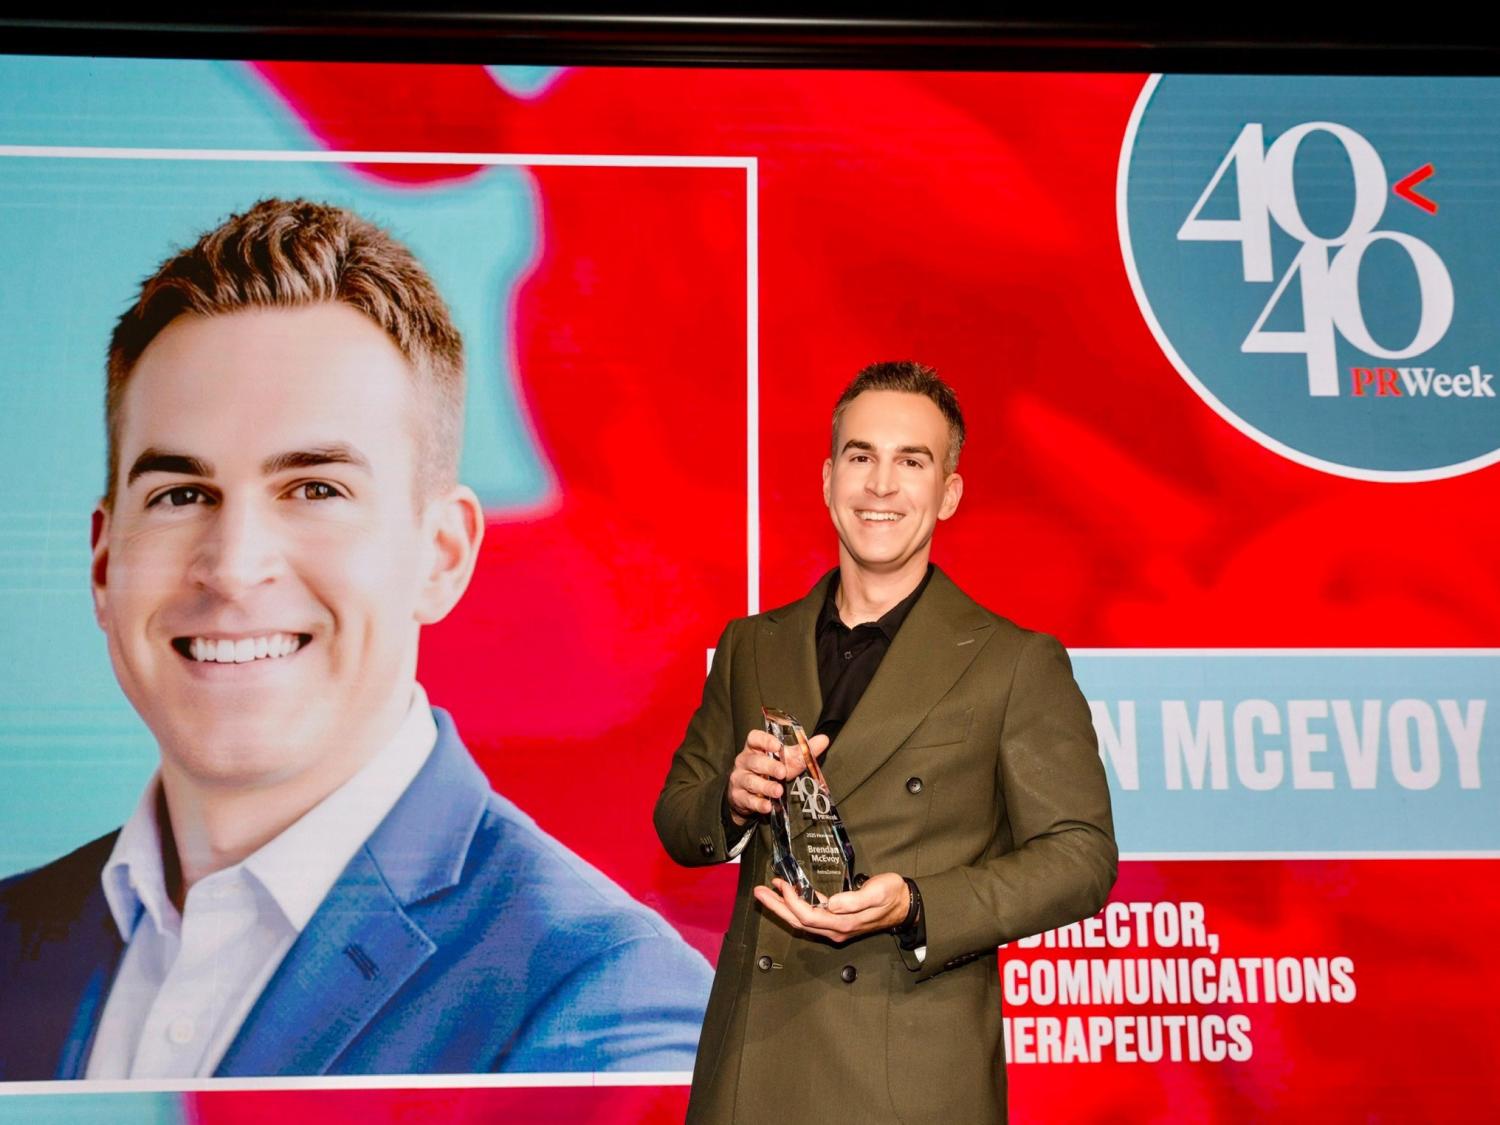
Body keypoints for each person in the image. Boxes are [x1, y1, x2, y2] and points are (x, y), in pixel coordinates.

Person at [0, 198, 711, 1080]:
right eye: (181, 495)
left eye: (315, 490)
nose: (232, 567)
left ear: (442, 556)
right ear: (104, 565)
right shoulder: (13, 944)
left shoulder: (608, 1006)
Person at [655, 362, 1117, 1123]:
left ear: (950, 492)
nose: (881, 485)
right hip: (754, 1064)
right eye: (861, 456)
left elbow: (1080, 856)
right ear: (828, 477)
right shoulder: (750, 644)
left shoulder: (1012, 661)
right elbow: (678, 819)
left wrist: (917, 902)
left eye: (912, 461)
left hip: (911, 1072)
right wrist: (731, 801)